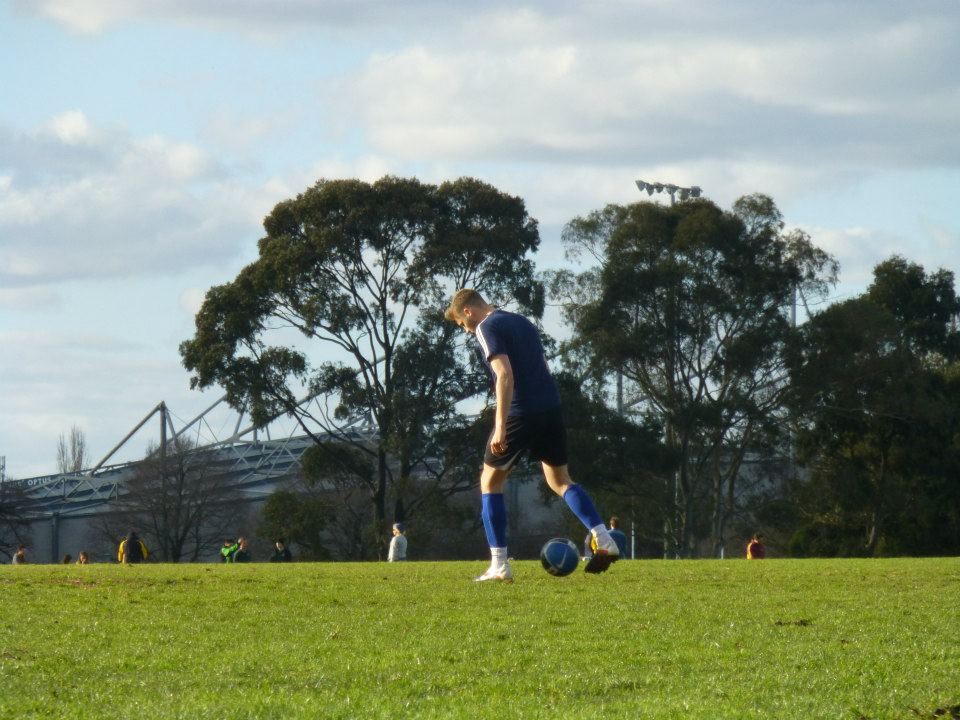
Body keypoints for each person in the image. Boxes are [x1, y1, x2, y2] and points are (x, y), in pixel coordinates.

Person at [445, 288, 620, 582]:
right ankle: (603, 538)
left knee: (490, 481)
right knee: (560, 480)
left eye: (464, 325)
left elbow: (504, 375)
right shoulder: (521, 321)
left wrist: (500, 424)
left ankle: (499, 564)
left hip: (520, 412)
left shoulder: (486, 326)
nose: (467, 330)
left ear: (468, 311)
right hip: (551, 406)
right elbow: (543, 366)